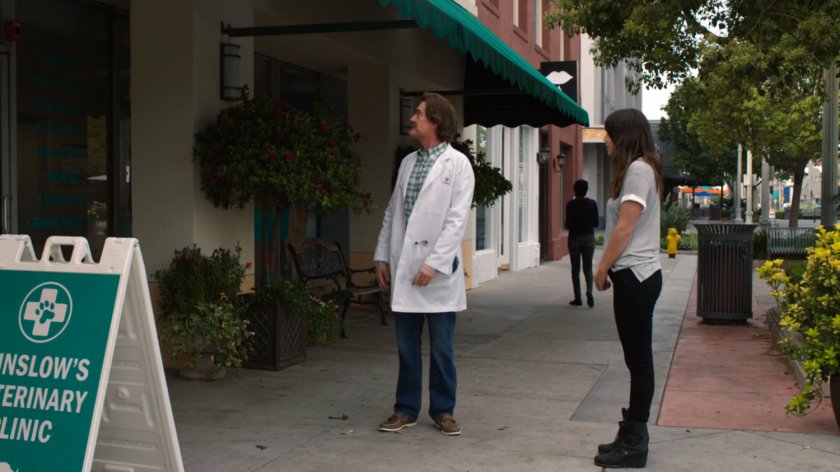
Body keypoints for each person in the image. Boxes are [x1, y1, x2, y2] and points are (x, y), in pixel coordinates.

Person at [374, 93, 475, 436]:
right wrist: (381, 256)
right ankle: (405, 409)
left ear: (436, 122)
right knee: (406, 347)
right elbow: (392, 213)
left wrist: (434, 263)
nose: (413, 118)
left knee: (442, 348)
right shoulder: (407, 163)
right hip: (405, 269)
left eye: (418, 114)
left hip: (437, 274)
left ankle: (444, 410)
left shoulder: (458, 164)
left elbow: (456, 220)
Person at [593, 108, 663, 468]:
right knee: (637, 360)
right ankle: (632, 433)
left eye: (608, 134)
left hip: (635, 274)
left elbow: (624, 228)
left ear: (623, 136)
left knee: (639, 362)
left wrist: (602, 267)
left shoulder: (638, 170)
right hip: (637, 275)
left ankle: (635, 442)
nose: (605, 140)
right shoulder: (641, 169)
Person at [565, 179, 599, 307]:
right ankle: (589, 291)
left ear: (575, 190)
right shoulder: (593, 204)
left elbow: (568, 224)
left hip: (574, 238)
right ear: (586, 190)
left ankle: (577, 297)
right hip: (589, 237)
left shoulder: (570, 204)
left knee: (575, 268)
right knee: (588, 267)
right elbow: (596, 223)